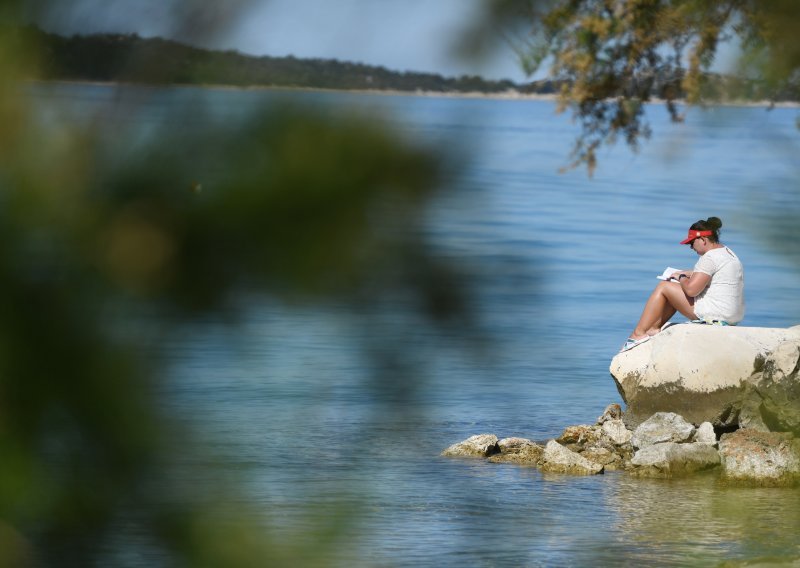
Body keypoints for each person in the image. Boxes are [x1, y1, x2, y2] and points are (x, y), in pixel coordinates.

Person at [620, 217, 745, 352]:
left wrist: (681, 277)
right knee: (674, 289)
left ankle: (638, 333)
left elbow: (691, 291)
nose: (691, 247)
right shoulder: (727, 252)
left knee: (664, 287)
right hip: (732, 314)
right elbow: (715, 273)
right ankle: (653, 329)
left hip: (716, 314)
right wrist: (689, 274)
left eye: (692, 242)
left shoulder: (709, 257)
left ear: (703, 240)